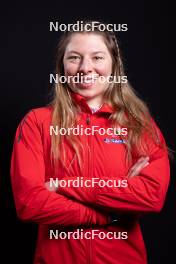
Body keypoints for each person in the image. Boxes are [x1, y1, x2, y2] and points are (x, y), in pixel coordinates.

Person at [11, 21, 170, 264]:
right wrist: (107, 214)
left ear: (114, 65)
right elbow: (30, 203)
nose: (86, 68)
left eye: (97, 57)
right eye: (74, 58)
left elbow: (151, 195)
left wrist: (66, 185)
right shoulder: (37, 123)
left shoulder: (139, 124)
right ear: (61, 66)